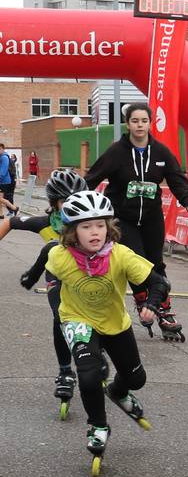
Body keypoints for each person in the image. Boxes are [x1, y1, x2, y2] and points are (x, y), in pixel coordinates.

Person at [43, 189, 170, 475]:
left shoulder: (121, 255)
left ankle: (118, 390)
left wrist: (150, 304)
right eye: (86, 227)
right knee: (88, 374)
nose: (94, 232)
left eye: (100, 225)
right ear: (73, 231)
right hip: (77, 319)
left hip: (115, 323)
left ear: (108, 227)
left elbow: (159, 283)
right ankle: (98, 425)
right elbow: (50, 272)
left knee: (136, 379)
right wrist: (55, 298)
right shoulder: (61, 256)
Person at [85, 102, 188, 341]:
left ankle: (164, 311)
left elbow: (177, 178)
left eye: (144, 121)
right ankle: (142, 303)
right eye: (135, 121)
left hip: (151, 216)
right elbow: (92, 177)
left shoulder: (160, 152)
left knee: (156, 262)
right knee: (136, 261)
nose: (139, 125)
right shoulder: (117, 151)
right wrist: (75, 203)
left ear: (150, 123)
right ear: (128, 124)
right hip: (122, 218)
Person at [12, 168, 91, 416]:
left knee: (94, 316)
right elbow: (12, 222)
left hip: (88, 276)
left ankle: (96, 353)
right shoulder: (48, 223)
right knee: (61, 318)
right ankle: (65, 371)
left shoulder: (91, 221)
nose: (72, 205)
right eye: (65, 200)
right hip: (56, 274)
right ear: (54, 203)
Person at [0, 144, 17, 216]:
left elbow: (3, 172)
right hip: (2, 181)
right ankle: (1, 214)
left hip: (4, 181)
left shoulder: (4, 157)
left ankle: (14, 208)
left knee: (3, 198)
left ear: (3, 149)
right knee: (0, 198)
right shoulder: (1, 157)